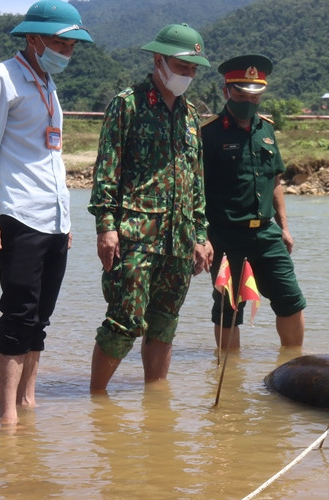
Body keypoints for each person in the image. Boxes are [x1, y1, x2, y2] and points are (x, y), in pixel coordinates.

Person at [0, 0, 93, 424]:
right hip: (17, 216)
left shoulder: (48, 84)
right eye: (60, 42)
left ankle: (28, 402)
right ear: (33, 38)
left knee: (41, 319)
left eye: (72, 45)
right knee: (18, 315)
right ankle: (7, 420)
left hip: (53, 222)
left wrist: (66, 220)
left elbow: (49, 159)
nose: (66, 52)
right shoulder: (0, 80)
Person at [87, 23, 213, 392]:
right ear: (158, 60)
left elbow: (196, 182)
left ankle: (155, 402)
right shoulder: (128, 105)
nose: (187, 75)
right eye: (181, 66)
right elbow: (106, 170)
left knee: (164, 323)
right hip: (135, 238)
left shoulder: (190, 116)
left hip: (179, 240)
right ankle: (98, 403)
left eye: (192, 69)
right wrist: (106, 227)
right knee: (124, 321)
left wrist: (201, 235)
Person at [202, 54, 306, 350]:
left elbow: (275, 182)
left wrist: (284, 227)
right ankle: (230, 379)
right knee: (229, 308)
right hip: (226, 236)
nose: (249, 99)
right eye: (241, 93)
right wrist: (203, 236)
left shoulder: (267, 129)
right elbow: (196, 189)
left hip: (267, 234)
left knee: (291, 299)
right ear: (226, 91)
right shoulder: (208, 134)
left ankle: (292, 364)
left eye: (255, 94)